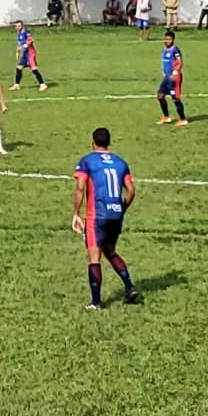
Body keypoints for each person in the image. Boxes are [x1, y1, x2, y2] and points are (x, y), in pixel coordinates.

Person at [72, 127, 139, 310]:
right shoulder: (120, 162)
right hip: (116, 214)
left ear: (92, 142)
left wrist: (76, 213)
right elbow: (131, 191)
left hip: (97, 216)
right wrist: (122, 208)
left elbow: (80, 187)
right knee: (109, 250)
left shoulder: (87, 161)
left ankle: (96, 302)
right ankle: (129, 286)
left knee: (94, 257)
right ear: (109, 142)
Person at [156, 31, 188, 127]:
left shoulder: (175, 50)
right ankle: (166, 117)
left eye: (169, 39)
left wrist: (175, 72)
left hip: (174, 78)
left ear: (173, 40)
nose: (167, 41)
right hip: (166, 77)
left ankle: (183, 119)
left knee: (175, 99)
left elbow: (180, 62)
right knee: (160, 96)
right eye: (166, 39)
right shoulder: (164, 49)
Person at [12, 20, 48, 92]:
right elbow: (19, 44)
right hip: (25, 54)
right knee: (19, 68)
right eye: (16, 26)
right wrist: (17, 52)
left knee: (34, 69)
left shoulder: (26, 32)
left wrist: (25, 45)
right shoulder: (19, 33)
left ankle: (43, 84)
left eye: (19, 26)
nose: (17, 27)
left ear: (22, 26)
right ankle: (16, 85)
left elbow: (31, 40)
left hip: (30, 54)